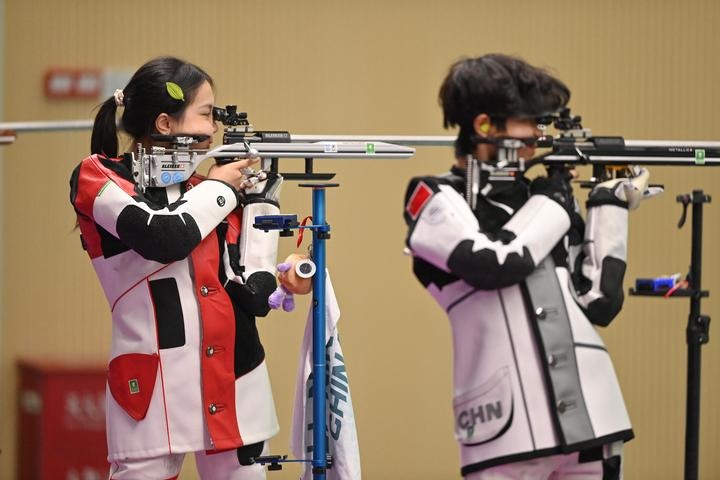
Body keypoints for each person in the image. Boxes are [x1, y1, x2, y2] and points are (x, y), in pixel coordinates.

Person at [403, 54, 651, 479]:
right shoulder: (435, 196)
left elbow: (599, 302)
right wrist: (554, 201)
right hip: (506, 430)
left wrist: (609, 203)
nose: (539, 136)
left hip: (594, 421)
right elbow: (494, 263)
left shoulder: (542, 199)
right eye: (530, 122)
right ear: (484, 126)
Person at [70, 56, 283, 480]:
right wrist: (223, 189)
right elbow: (164, 238)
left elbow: (255, 294)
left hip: (236, 380)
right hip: (152, 389)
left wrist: (263, 206)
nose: (214, 129)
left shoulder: (207, 191)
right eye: (206, 114)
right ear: (165, 124)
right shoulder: (97, 177)